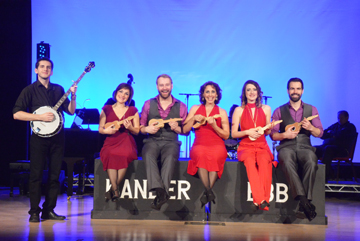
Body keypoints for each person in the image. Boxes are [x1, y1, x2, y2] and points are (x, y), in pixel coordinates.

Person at [13, 57, 77, 222]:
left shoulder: (58, 89)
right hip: (39, 139)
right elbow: (17, 113)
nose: (45, 69)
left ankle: (49, 210)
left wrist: (74, 96)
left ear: (52, 71)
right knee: (36, 175)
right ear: (36, 70)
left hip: (57, 138)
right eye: (42, 67)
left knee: (55, 176)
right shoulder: (29, 90)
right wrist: (39, 116)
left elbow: (70, 111)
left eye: (48, 67)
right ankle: (34, 211)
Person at [270, 77, 323, 221]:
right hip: (286, 145)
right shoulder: (279, 111)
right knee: (286, 160)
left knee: (312, 160)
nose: (295, 91)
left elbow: (320, 133)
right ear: (288, 91)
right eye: (292, 88)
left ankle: (303, 203)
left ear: (302, 91)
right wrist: (284, 134)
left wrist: (311, 127)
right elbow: (272, 135)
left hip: (305, 146)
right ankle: (305, 202)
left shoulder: (311, 109)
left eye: (298, 88)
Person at [140, 74, 187, 210]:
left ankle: (160, 194)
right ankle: (162, 192)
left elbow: (186, 131)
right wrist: (147, 128)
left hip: (171, 141)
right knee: (148, 154)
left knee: (170, 156)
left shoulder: (181, 106)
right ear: (157, 87)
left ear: (171, 86)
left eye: (167, 85)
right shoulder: (148, 104)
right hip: (152, 141)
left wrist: (177, 128)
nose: (164, 88)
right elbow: (140, 127)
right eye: (162, 85)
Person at [183, 81, 229, 207]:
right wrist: (193, 119)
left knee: (216, 155)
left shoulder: (222, 112)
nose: (210, 94)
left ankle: (207, 192)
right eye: (207, 91)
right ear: (203, 94)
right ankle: (209, 192)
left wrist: (214, 125)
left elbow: (226, 135)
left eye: (213, 92)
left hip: (217, 143)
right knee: (200, 154)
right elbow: (185, 130)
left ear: (217, 95)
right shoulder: (195, 108)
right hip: (199, 143)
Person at [231, 80, 275, 211]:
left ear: (258, 92)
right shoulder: (238, 110)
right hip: (245, 146)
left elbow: (267, 132)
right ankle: (262, 199)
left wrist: (268, 129)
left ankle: (260, 200)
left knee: (264, 162)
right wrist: (247, 132)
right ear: (244, 93)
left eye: (254, 89)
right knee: (250, 163)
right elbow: (233, 134)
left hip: (262, 145)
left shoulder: (266, 108)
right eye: (248, 90)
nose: (251, 92)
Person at [99, 83, 140, 202]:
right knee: (110, 154)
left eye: (126, 93)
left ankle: (113, 189)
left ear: (129, 97)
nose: (123, 95)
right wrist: (107, 131)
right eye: (121, 91)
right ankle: (115, 189)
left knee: (125, 154)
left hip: (126, 140)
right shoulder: (106, 108)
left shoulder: (133, 110)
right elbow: (100, 129)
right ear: (116, 92)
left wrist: (130, 127)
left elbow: (137, 131)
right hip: (111, 140)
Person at [315, 111, 357, 182]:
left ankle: (324, 176)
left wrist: (331, 133)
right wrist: (331, 134)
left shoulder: (350, 127)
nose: (339, 120)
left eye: (341, 118)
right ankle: (314, 174)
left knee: (328, 149)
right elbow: (323, 134)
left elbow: (341, 136)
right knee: (314, 149)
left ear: (347, 118)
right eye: (338, 118)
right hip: (327, 147)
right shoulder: (335, 125)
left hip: (342, 149)